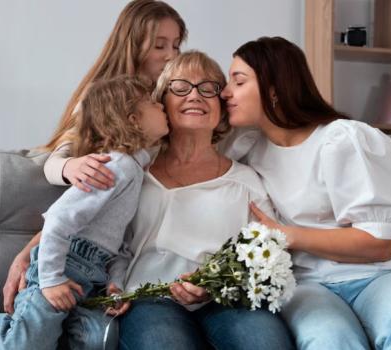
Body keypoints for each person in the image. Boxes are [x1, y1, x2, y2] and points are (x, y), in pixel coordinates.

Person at [220, 36, 391, 349]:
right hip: (307, 284)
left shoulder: (342, 140)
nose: (225, 92)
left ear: (274, 89)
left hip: (377, 277)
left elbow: (378, 244)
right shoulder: (248, 149)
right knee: (329, 339)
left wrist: (286, 236)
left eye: (239, 81)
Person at [0, 76, 169, 349]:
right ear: (133, 119)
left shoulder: (136, 170)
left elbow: (121, 243)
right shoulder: (116, 166)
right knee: (24, 344)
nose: (160, 105)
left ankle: (48, 325)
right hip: (63, 265)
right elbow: (58, 219)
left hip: (93, 279)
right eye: (151, 102)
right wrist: (51, 280)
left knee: (97, 341)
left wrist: (115, 284)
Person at [3, 0, 187, 315]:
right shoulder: (101, 102)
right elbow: (64, 182)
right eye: (160, 45)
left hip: (122, 248)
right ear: (133, 45)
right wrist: (71, 166)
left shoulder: (168, 105)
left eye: (176, 45)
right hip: (83, 243)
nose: (171, 54)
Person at [117, 51, 295, 350]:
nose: (195, 96)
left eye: (208, 88)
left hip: (229, 301)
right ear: (162, 103)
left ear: (221, 108)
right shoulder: (135, 172)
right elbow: (103, 236)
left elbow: (270, 254)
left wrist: (215, 288)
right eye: (181, 87)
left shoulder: (246, 181)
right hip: (150, 299)